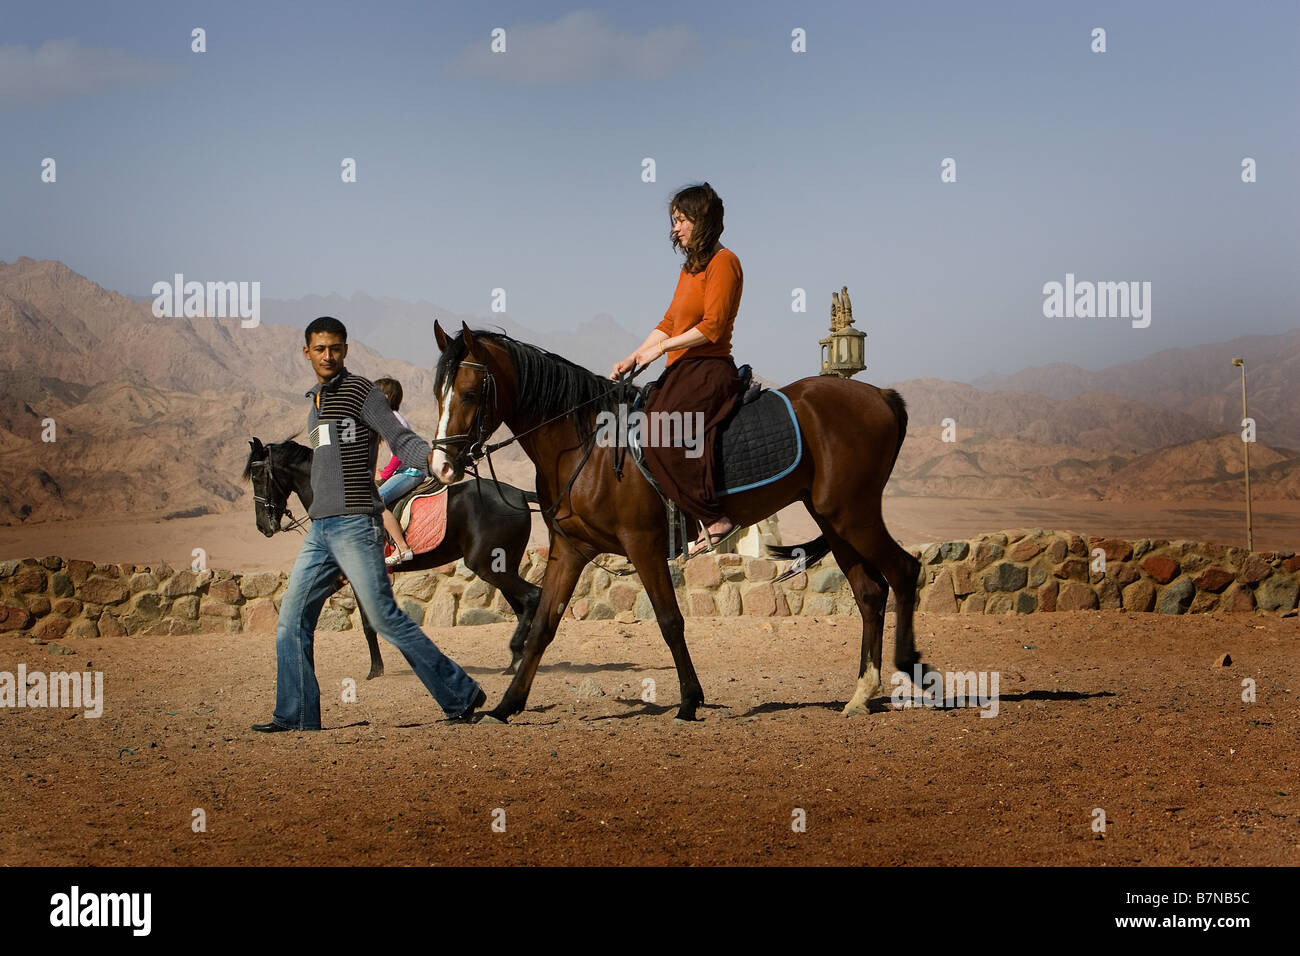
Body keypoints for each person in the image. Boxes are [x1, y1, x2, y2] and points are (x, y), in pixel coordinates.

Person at [252, 316, 485, 732]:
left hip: (356, 524)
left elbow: (399, 438)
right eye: (320, 348)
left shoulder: (362, 392)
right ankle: (296, 716)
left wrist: (431, 458)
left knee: (383, 618)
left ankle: (460, 693)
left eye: (335, 348)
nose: (328, 355)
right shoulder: (317, 404)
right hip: (321, 530)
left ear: (346, 349)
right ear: (306, 352)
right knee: (291, 620)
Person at [611, 182, 745, 558]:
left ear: (702, 220)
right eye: (674, 220)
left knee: (661, 434)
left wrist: (659, 350)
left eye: (681, 219)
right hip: (682, 366)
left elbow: (713, 327)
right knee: (637, 427)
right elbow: (670, 321)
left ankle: (714, 518)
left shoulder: (725, 263)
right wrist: (636, 355)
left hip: (709, 367)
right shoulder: (690, 269)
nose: (675, 228)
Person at [373, 377, 422, 567]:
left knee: (376, 501)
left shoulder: (392, 419)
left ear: (385, 397)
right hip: (406, 470)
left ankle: (402, 547)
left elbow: (400, 454)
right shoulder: (391, 419)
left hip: (411, 471)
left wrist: (385, 475)